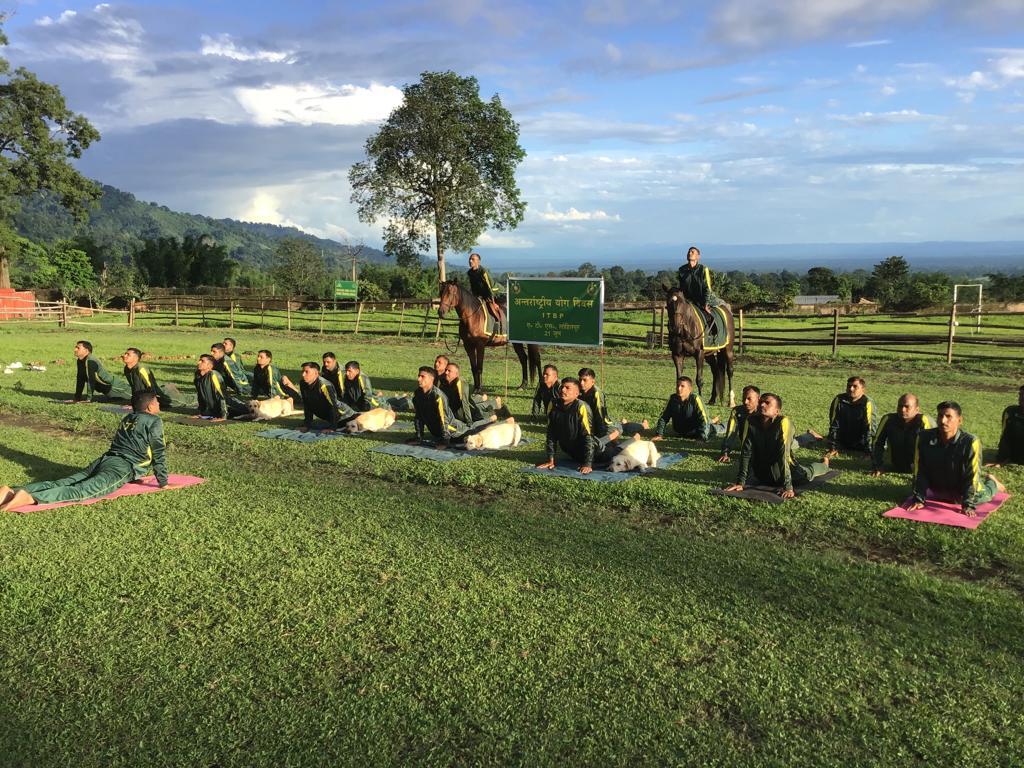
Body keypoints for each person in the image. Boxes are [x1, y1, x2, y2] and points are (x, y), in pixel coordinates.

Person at [1, 392, 169, 511]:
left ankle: (13, 491)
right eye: (157, 402)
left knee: (64, 482)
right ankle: (30, 498)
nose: (159, 404)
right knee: (84, 490)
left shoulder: (128, 418)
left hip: (105, 459)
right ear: (150, 406)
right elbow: (159, 452)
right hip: (123, 466)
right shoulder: (154, 421)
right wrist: (163, 482)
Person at [905, 401, 1004, 518]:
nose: (942, 421)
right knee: (928, 492)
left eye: (948, 417)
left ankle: (992, 483)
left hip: (961, 488)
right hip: (939, 485)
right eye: (940, 416)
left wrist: (968, 504)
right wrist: (919, 499)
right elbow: (919, 470)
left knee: (983, 496)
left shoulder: (970, 442)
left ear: (959, 420)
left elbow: (971, 475)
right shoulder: (923, 437)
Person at [723, 393, 830, 499]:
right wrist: (740, 482)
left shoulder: (783, 422)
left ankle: (825, 463)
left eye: (767, 403)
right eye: (761, 402)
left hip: (791, 473)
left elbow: (783, 455)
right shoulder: (750, 421)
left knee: (808, 473)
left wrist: (788, 486)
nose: (762, 405)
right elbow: (746, 452)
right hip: (762, 473)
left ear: (777, 411)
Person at [535, 377, 605, 474]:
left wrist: (588, 464)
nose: (563, 390)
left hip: (597, 452)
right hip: (573, 453)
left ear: (577, 393)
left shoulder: (582, 407)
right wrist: (550, 460)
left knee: (617, 455)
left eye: (567, 388)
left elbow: (588, 436)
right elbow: (551, 433)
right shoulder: (553, 404)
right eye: (562, 387)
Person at [870, 394, 932, 475]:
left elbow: (931, 448)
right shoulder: (888, 419)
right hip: (894, 466)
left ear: (917, 409)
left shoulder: (923, 421)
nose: (902, 409)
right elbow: (877, 443)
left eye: (907, 407)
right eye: (900, 406)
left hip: (918, 467)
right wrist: (877, 465)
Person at [408, 367, 469, 446]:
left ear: (431, 379)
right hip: (438, 433)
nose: (419, 379)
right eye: (419, 376)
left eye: (422, 376)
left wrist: (445, 440)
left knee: (478, 429)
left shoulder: (438, 396)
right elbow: (418, 416)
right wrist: (418, 437)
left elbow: (444, 419)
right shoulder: (418, 394)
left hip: (456, 431)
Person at [825, 376, 876, 460]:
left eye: (855, 386)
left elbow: (869, 429)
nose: (851, 389)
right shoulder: (839, 400)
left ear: (863, 390)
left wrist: (869, 452)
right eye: (849, 386)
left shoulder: (867, 403)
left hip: (861, 443)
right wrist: (833, 447)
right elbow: (834, 425)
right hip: (843, 442)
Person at [299, 362, 357, 432]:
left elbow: (333, 406)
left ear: (316, 373)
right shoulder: (303, 383)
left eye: (306, 372)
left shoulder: (325, 385)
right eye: (302, 371)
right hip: (330, 417)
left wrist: (332, 428)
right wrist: (307, 425)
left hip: (345, 415)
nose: (303, 374)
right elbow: (307, 404)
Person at [653, 376, 713, 442]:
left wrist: (702, 438)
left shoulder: (695, 399)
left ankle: (720, 424)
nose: (679, 388)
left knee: (716, 428)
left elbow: (704, 419)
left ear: (690, 389)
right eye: (678, 385)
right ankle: (713, 420)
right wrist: (659, 435)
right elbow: (663, 418)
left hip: (696, 432)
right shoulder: (673, 399)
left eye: (682, 386)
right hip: (680, 432)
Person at [441, 362, 500, 427]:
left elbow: (465, 404)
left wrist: (469, 422)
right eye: (446, 370)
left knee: (483, 413)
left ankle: (494, 405)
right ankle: (493, 402)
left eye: (449, 371)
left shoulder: (461, 384)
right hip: (463, 410)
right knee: (475, 404)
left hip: (472, 413)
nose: (446, 372)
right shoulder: (444, 384)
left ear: (456, 374)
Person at [194, 354, 249, 421]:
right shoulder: (197, 377)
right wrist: (202, 414)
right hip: (216, 410)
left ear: (210, 366)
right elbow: (200, 396)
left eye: (202, 361)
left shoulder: (213, 375)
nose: (199, 363)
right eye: (199, 360)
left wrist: (223, 416)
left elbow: (222, 396)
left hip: (230, 407)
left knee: (250, 410)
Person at [578, 367, 620, 447]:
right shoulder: (578, 390)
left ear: (593, 381)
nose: (581, 383)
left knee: (604, 443)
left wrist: (599, 435)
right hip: (588, 423)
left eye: (585, 380)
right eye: (580, 380)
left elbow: (600, 417)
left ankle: (642, 426)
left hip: (604, 425)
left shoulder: (596, 393)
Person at [677, 246, 716, 328]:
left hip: (702, 300)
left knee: (710, 319)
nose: (689, 253)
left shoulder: (703, 269)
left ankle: (712, 336)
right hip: (688, 301)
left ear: (698, 256)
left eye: (692, 252)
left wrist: (706, 303)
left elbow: (707, 288)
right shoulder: (681, 270)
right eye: (688, 252)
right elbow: (681, 289)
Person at [718, 385, 760, 463]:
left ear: (758, 399)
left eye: (749, 399)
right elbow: (730, 433)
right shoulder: (737, 412)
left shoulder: (764, 413)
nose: (745, 402)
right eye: (744, 398)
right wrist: (725, 453)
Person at [467, 252, 503, 326]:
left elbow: (489, 287)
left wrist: (493, 303)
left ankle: (499, 324)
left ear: (478, 261)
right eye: (470, 259)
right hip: (482, 294)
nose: (470, 261)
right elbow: (473, 287)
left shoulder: (483, 272)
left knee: (492, 308)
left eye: (473, 259)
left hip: (495, 291)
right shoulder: (470, 273)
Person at [992, 385, 1024, 466]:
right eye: (1020, 395)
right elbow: (1005, 436)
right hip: (1015, 453)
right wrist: (1002, 460)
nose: (1021, 398)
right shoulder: (1010, 412)